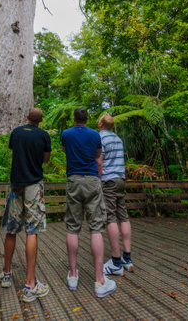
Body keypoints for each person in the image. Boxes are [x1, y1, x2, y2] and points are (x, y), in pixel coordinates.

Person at [61, 108, 116, 298]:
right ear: (87, 119)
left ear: (74, 118)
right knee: (96, 228)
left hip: (74, 180)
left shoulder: (66, 134)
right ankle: (100, 280)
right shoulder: (95, 135)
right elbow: (97, 158)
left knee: (72, 227)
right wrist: (98, 179)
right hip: (92, 180)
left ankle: (73, 275)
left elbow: (66, 152)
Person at [0, 108, 51, 303]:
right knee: (32, 231)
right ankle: (30, 285)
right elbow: (45, 159)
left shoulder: (16, 132)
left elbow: (15, 151)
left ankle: (6, 273)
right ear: (41, 120)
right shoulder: (44, 135)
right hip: (33, 186)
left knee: (11, 230)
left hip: (16, 185)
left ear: (27, 118)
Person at [97, 113, 133, 276]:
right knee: (123, 216)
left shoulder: (100, 138)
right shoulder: (118, 139)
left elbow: (99, 161)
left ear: (100, 124)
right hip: (120, 179)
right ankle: (127, 257)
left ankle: (116, 262)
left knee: (110, 218)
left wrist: (98, 180)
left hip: (108, 181)